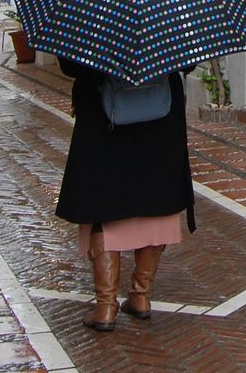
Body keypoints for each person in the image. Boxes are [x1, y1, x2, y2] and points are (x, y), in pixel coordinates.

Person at [55, 58, 194, 332]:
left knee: (103, 203)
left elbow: (72, 66)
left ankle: (106, 306)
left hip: (104, 116)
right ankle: (141, 296)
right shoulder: (170, 16)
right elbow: (187, 64)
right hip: (161, 113)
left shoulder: (91, 15)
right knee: (156, 199)